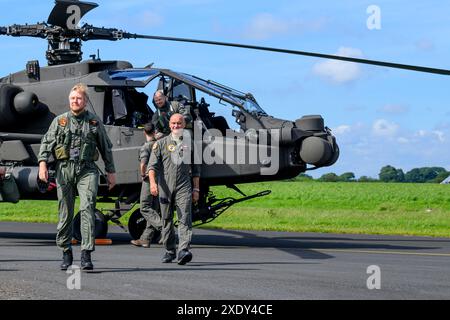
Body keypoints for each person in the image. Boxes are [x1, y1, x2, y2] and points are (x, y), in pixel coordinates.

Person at [38, 83, 116, 271]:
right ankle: (66, 252)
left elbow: (106, 148)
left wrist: (111, 171)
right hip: (64, 169)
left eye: (79, 98)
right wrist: (42, 164)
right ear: (69, 100)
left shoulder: (94, 122)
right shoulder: (60, 121)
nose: (75, 101)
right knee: (65, 212)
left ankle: (86, 254)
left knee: (87, 207)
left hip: (87, 170)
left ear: (85, 101)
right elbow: (46, 143)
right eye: (73, 98)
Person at [148, 113, 200, 265]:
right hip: (165, 186)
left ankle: (183, 250)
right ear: (170, 125)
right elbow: (152, 166)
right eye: (173, 123)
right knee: (166, 220)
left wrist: (196, 189)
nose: (176, 126)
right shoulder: (161, 143)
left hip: (184, 185)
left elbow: (196, 170)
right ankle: (170, 250)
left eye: (179, 123)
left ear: (184, 125)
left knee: (185, 217)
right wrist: (152, 183)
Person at [131, 123, 162, 248]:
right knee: (154, 209)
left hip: (150, 179)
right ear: (155, 132)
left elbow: (143, 164)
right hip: (160, 178)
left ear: (144, 132)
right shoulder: (159, 145)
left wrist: (143, 175)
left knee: (144, 207)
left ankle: (165, 229)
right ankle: (145, 238)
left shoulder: (146, 147)